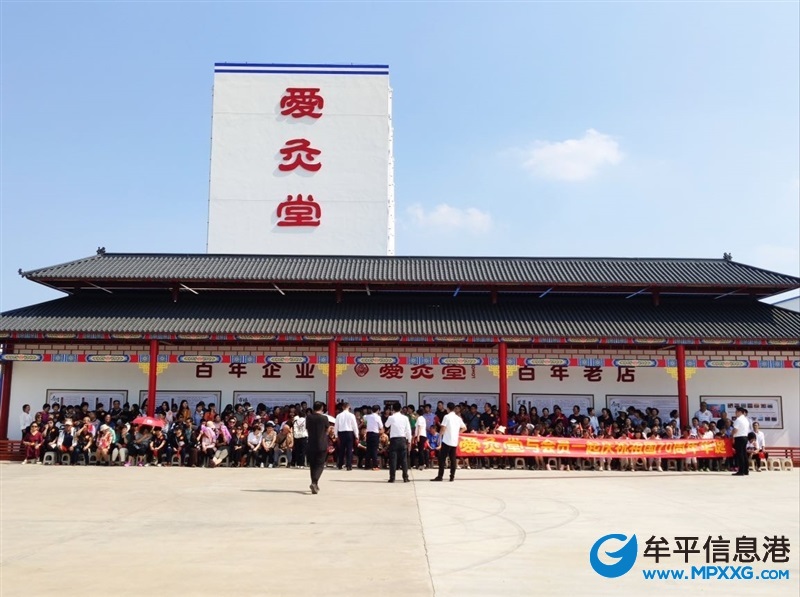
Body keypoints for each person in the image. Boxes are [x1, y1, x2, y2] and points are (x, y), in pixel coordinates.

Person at [432, 402, 466, 482]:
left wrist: (439, 436)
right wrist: (457, 433)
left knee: (442, 458)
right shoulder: (458, 418)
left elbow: (443, 428)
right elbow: (464, 428)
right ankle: (452, 476)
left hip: (447, 440)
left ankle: (440, 476)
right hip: (454, 441)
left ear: (448, 408)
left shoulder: (446, 417)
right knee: (453, 459)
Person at [306, 402, 330, 494]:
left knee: (312, 465)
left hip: (311, 443)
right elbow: (327, 430)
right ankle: (314, 482)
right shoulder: (324, 418)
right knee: (320, 464)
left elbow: (307, 429)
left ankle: (314, 483)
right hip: (321, 443)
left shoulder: (309, 417)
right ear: (322, 408)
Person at [385, 402, 411, 483]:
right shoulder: (405, 418)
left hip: (394, 440)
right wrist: (409, 440)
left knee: (393, 459)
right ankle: (405, 477)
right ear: (400, 409)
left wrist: (390, 415)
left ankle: (392, 478)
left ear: (393, 409)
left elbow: (386, 425)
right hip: (402, 439)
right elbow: (408, 430)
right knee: (404, 460)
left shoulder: (391, 417)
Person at [334, 402, 358, 471]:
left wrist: (336, 435)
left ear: (342, 407)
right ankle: (349, 466)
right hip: (349, 433)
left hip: (341, 433)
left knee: (341, 449)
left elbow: (336, 426)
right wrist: (356, 435)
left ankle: (340, 464)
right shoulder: (351, 415)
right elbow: (355, 426)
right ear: (349, 407)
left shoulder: (339, 416)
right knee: (349, 449)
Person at [731, 406, 751, 476]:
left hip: (739, 438)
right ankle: (746, 470)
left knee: (740, 454)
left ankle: (741, 471)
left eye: (736, 412)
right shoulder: (746, 419)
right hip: (745, 437)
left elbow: (735, 430)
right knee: (744, 454)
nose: (735, 413)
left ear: (740, 412)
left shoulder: (738, 420)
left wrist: (732, 434)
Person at [364, 404, 383, 471]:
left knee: (368, 450)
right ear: (378, 410)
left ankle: (367, 465)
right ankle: (375, 466)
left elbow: (364, 420)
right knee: (374, 450)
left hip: (368, 434)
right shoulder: (378, 417)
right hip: (375, 434)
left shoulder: (367, 416)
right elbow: (381, 426)